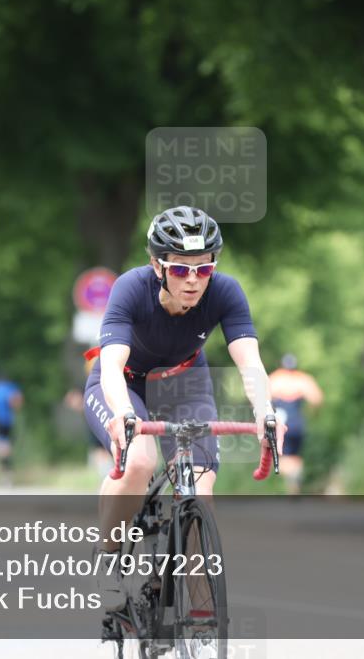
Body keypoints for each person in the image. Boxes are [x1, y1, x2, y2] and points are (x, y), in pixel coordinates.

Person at [82, 206, 285, 610]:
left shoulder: (226, 292)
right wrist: (124, 414)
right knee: (139, 460)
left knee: (199, 486)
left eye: (203, 269)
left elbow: (251, 363)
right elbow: (110, 367)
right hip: (127, 381)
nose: (193, 281)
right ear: (157, 265)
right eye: (179, 270)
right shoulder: (129, 289)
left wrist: (266, 411)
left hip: (185, 382)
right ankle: (108, 558)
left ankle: (198, 614)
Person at [268, 353, 324, 494]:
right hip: (297, 422)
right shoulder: (303, 379)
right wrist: (311, 413)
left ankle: (288, 483)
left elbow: (258, 401)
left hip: (279, 424)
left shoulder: (274, 378)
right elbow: (317, 400)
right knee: (295, 456)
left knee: (280, 456)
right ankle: (293, 483)